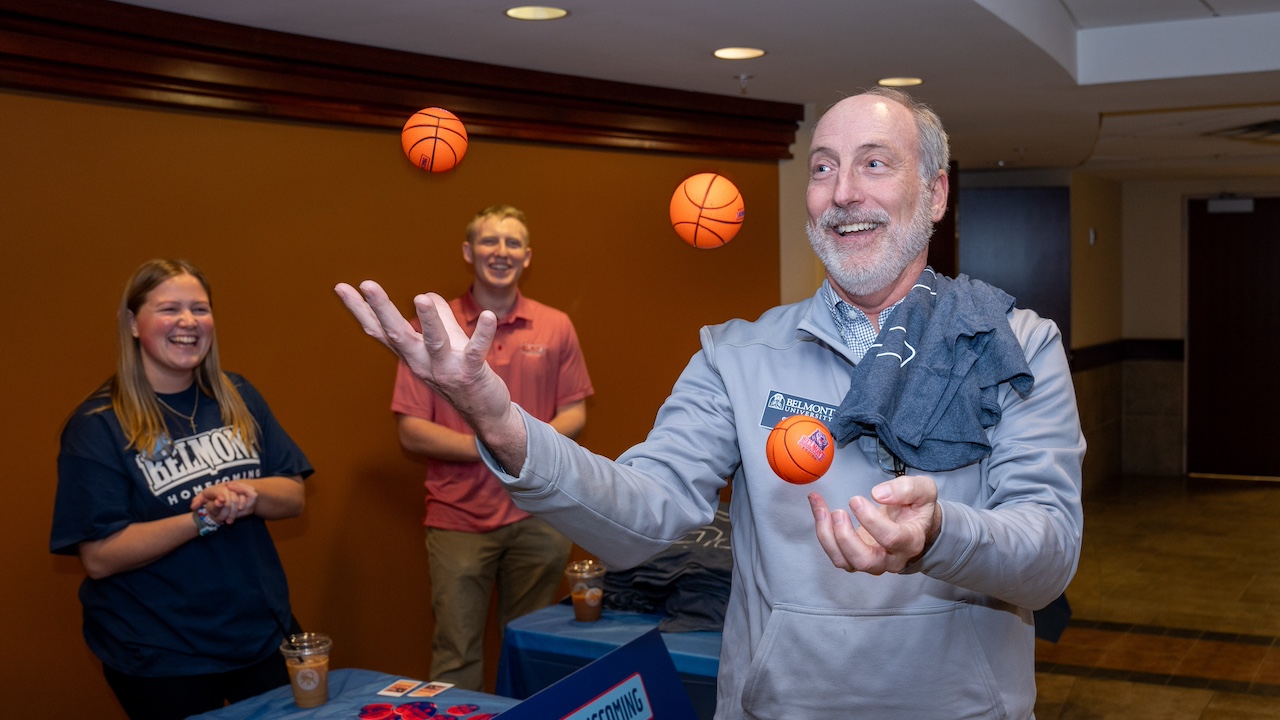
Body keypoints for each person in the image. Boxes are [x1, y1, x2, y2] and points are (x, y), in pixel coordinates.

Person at [336, 89, 1084, 718]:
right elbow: (643, 514)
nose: (842, 191)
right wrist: (498, 418)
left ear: (936, 192)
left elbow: (1048, 553)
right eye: (821, 170)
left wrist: (940, 532)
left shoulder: (1013, 344)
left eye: (874, 165)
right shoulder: (737, 354)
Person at [51, 259, 313, 720]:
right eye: (169, 308)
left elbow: (292, 495)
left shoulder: (238, 395)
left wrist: (247, 492)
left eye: (200, 308)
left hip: (260, 632)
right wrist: (200, 519)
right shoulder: (97, 426)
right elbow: (98, 557)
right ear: (134, 323)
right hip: (160, 651)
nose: (188, 322)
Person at [390, 204, 594, 690]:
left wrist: (523, 450)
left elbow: (575, 413)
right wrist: (494, 447)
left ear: (527, 256)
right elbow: (412, 431)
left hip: (541, 515)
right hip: (458, 519)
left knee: (535, 653)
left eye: (512, 243)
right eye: (489, 241)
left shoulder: (556, 325)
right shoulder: (432, 331)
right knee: (456, 654)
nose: (500, 252)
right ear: (468, 251)